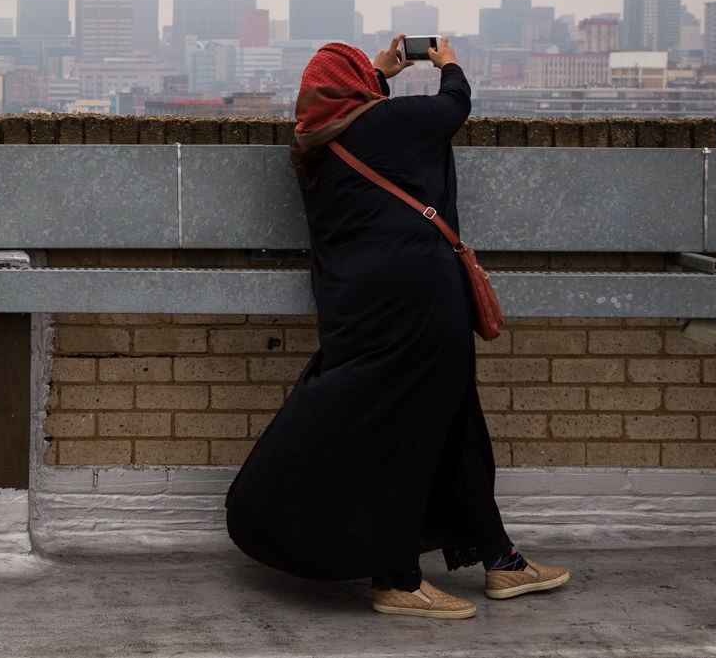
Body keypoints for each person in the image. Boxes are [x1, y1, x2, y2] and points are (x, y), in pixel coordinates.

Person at [225, 35, 569, 619]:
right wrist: (448, 60)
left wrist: (378, 71)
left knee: (453, 421)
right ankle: (397, 579)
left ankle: (500, 559)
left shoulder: (312, 147)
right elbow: (454, 104)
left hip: (355, 310)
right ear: (360, 88)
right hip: (419, 304)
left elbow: (352, 117)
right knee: (405, 434)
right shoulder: (393, 125)